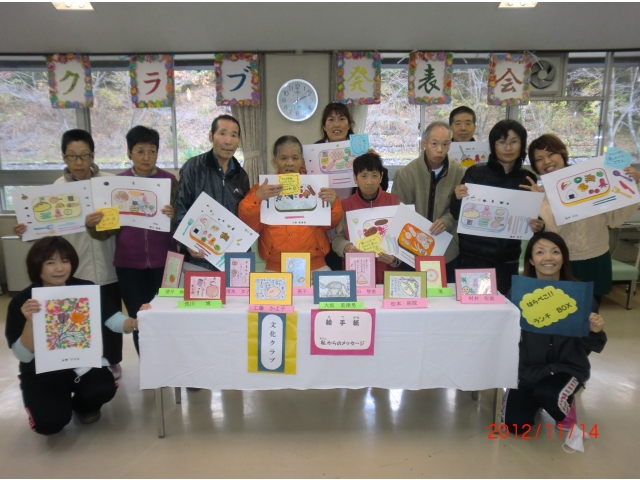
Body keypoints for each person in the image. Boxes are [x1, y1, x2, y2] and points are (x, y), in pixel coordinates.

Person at [12, 129, 124, 380]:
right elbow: (48, 231)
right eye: (72, 156)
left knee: (110, 315)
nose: (79, 162)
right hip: (76, 267)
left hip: (109, 264)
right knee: (78, 318)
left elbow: (122, 222)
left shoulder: (109, 183)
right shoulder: (56, 189)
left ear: (93, 155)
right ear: (64, 157)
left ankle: (113, 361)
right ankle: (79, 361)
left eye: (84, 155)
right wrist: (27, 230)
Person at [4, 237, 144, 435]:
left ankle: (82, 405)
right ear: (37, 265)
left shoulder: (85, 289)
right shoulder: (24, 301)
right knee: (50, 423)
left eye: (65, 261)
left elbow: (113, 319)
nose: (59, 268)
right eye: (50, 262)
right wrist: (30, 322)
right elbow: (24, 356)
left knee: (103, 389)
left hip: (81, 364)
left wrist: (134, 323)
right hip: (42, 371)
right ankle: (55, 405)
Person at [502, 231, 606, 433]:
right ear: (531, 260)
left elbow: (593, 345)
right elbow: (506, 337)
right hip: (528, 370)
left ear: (564, 258)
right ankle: (541, 398)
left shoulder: (579, 295)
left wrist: (595, 331)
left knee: (550, 395)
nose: (548, 258)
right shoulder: (518, 294)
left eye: (555, 252)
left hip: (566, 368)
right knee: (515, 426)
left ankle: (561, 400)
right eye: (540, 252)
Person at [86, 126, 177, 354]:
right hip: (128, 264)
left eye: (152, 151)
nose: (146, 157)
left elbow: (183, 222)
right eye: (140, 151)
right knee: (139, 318)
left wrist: (174, 216)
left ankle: (168, 363)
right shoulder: (117, 184)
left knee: (168, 315)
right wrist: (94, 224)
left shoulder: (169, 181)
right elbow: (105, 232)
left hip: (165, 263)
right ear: (129, 152)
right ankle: (147, 364)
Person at [525, 133, 640, 304]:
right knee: (559, 310)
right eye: (539, 159)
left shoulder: (591, 181)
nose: (547, 162)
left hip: (595, 257)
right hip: (559, 262)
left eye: (551, 154)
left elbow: (615, 217)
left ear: (562, 153)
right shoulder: (539, 193)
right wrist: (539, 202)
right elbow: (550, 231)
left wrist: (633, 183)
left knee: (592, 310)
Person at [451, 119, 544, 294]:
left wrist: (538, 224)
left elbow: (529, 219)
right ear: (493, 146)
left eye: (514, 142)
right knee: (474, 304)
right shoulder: (476, 173)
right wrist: (457, 198)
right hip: (474, 258)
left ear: (522, 144)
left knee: (504, 305)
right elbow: (457, 214)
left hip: (508, 260)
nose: (508, 148)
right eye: (501, 142)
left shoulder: (527, 178)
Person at [238, 135, 343, 272]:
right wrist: (257, 197)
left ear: (302, 160)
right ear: (275, 161)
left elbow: (330, 223)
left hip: (315, 264)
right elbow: (249, 224)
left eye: (295, 158)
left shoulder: (316, 186)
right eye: (283, 158)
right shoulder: (263, 188)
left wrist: (334, 204)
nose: (290, 163)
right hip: (276, 266)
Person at [174, 114, 250, 270]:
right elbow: (180, 208)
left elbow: (244, 216)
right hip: (199, 258)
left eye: (234, 135)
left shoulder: (241, 175)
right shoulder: (193, 167)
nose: (228, 141)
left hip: (230, 260)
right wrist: (187, 243)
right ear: (211, 136)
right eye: (222, 133)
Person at [392, 121, 465, 280]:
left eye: (445, 144)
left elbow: (464, 208)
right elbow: (400, 211)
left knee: (445, 293)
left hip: (447, 249)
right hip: (411, 250)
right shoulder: (406, 174)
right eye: (434, 144)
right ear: (424, 143)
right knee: (413, 291)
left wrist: (447, 220)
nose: (440, 150)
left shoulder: (460, 173)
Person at [332, 153, 401, 284]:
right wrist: (347, 247)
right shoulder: (345, 205)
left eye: (374, 176)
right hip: (356, 274)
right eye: (364, 176)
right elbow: (337, 238)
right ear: (355, 178)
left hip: (389, 274)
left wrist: (395, 259)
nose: (369, 182)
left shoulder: (394, 202)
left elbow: (404, 240)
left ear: (381, 177)